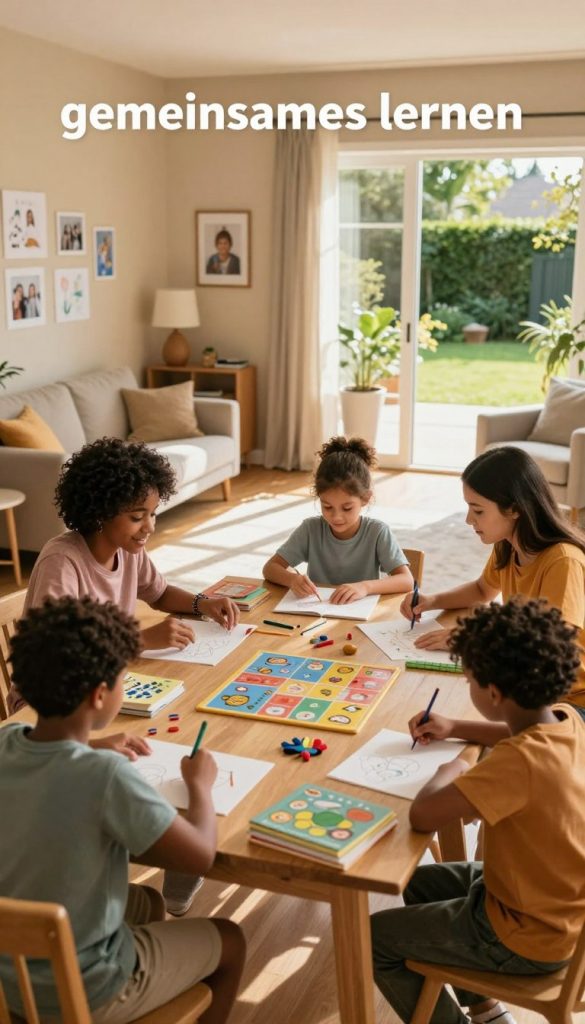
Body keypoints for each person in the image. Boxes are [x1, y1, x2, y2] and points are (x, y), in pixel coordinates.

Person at [0, 596, 246, 1023]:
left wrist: (87, 745)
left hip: (9, 977)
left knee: (148, 902)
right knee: (231, 940)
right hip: (85, 992)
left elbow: (48, 766)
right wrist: (200, 787)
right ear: (100, 695)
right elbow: (200, 855)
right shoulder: (106, 777)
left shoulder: (6, 742)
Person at [371, 596, 585, 1024]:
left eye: (468, 680)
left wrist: (454, 766)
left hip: (527, 935)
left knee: (375, 938)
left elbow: (424, 814)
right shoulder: (569, 720)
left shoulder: (517, 762)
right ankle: (486, 1009)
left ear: (492, 692)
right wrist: (456, 727)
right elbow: (513, 730)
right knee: (413, 882)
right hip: (555, 906)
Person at [400, 446, 585, 715]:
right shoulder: (508, 544)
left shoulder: (563, 561)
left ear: (515, 509)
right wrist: (432, 600)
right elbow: (481, 589)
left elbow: (551, 649)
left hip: (570, 699)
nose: (468, 519)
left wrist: (474, 639)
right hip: (531, 681)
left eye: (478, 510)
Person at [263, 436, 413, 603]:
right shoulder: (310, 529)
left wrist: (365, 587)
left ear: (365, 498)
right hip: (316, 613)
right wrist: (292, 579)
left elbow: (407, 581)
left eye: (347, 508)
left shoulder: (377, 532)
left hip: (358, 616)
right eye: (327, 506)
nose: (336, 517)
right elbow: (270, 568)